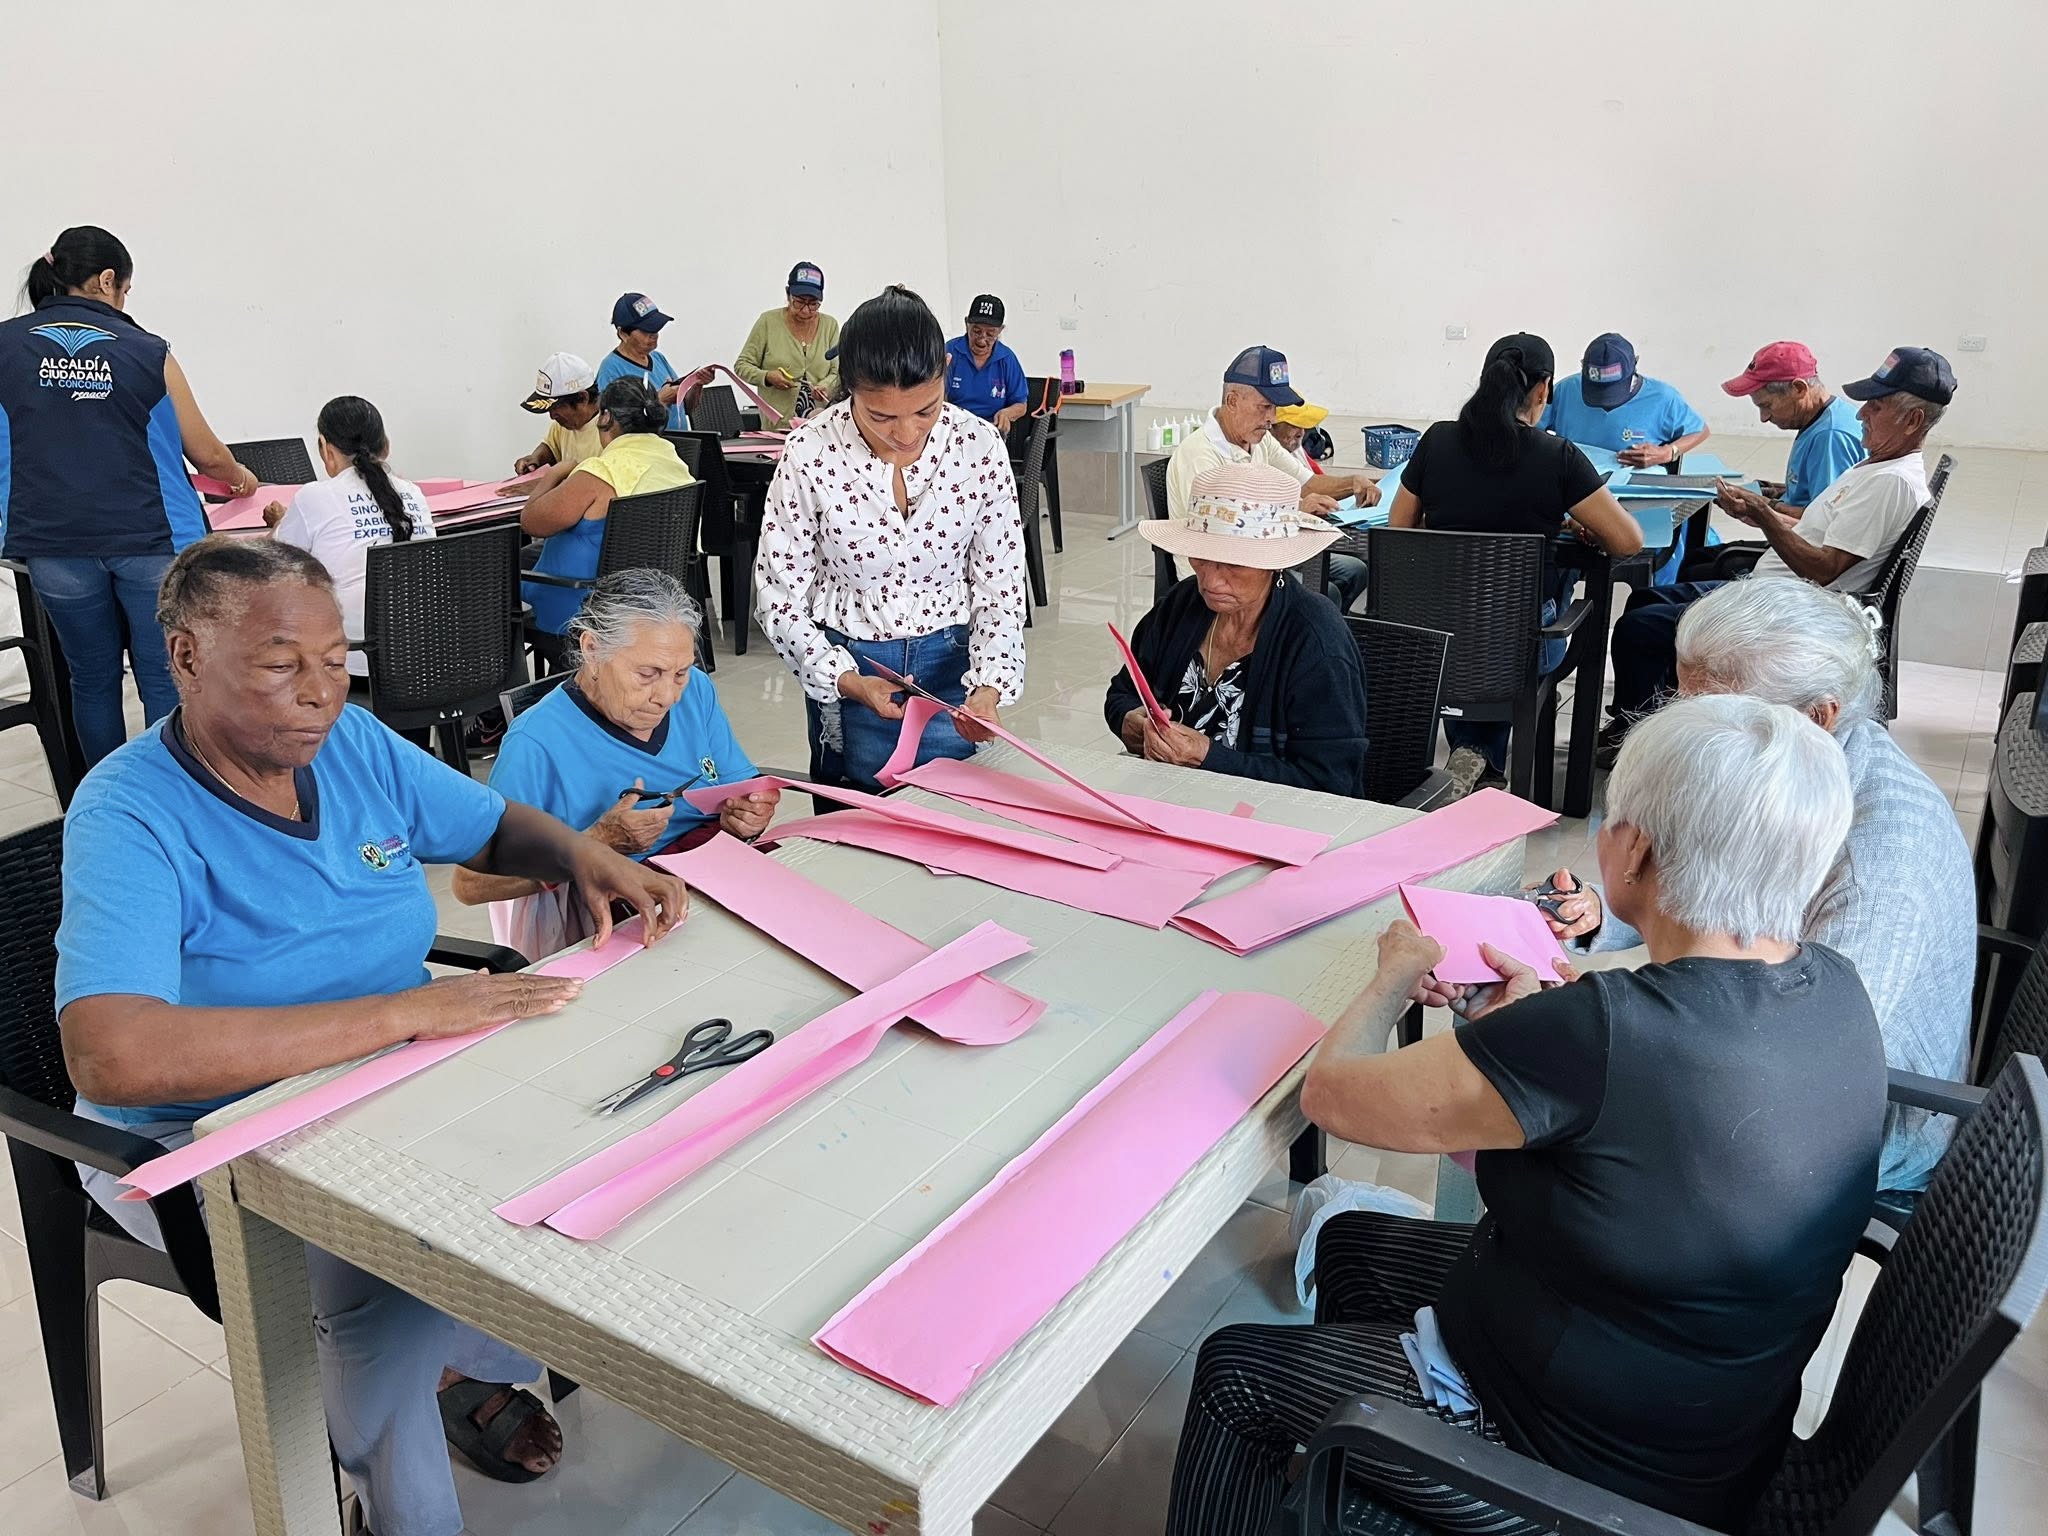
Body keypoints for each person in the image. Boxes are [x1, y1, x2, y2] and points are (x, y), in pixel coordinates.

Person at [55, 536, 686, 1536]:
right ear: (184, 657)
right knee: (392, 1280)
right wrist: (404, 1013)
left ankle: (458, 1363)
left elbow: (488, 827)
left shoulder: (347, 742)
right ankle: (400, 1502)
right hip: (204, 1138)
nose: (320, 693)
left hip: (385, 1084)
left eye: (334, 659)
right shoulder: (128, 811)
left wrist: (583, 856)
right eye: (280, 665)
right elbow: (112, 1053)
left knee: (597, 1150)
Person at [1168, 694, 1882, 1535]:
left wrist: (1394, 973)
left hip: (1583, 1479)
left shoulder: (1601, 1031)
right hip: (1700, 1418)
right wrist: (1521, 1042)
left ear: (1636, 851)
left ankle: (1365, 1467)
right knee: (1350, 1248)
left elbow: (1333, 1095)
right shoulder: (1834, 985)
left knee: (1233, 1372)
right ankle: (1344, 1497)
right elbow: (1633, 1133)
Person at [1537, 578, 1970, 1197]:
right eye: (1684, 701)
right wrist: (1601, 911)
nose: (1691, 730)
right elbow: (1715, 882)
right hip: (1773, 1038)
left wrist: (1625, 1024)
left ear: (1819, 715)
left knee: (1556, 1110)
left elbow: (1806, 1053)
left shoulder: (1879, 865)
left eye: (1716, 710)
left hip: (1861, 1115)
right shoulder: (1775, 765)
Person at [1600, 346, 1952, 760]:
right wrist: (1763, 510)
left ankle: (1642, 744)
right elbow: (1821, 526)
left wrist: (1765, 515)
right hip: (1776, 590)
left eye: (1875, 407)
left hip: (1793, 611)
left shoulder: (1890, 481)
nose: (1861, 415)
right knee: (1644, 599)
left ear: (1912, 420)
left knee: (1639, 628)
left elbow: (1824, 569)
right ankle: (1654, 722)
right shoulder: (1878, 466)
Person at [0, 225, 259, 766]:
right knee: (164, 676)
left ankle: (109, 799)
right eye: (125, 289)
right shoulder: (147, 350)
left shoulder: (4, 346)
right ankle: (167, 795)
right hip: (150, 538)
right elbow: (206, 454)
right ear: (107, 280)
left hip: (52, 543)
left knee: (91, 678)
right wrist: (240, 478)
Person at [754, 284, 1027, 791]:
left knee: (952, 815)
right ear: (849, 388)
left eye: (926, 410)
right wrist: (843, 679)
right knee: (853, 820)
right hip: (850, 666)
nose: (905, 434)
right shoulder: (811, 452)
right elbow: (778, 595)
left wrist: (989, 685)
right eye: (880, 417)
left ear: (945, 371)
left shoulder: (978, 446)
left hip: (951, 669)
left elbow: (1001, 586)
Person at [453, 571, 778, 948]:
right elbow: (470, 884)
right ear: (592, 650)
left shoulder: (697, 692)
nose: (668, 696)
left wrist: (750, 813)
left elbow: (741, 789)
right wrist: (596, 843)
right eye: (648, 674)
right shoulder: (536, 742)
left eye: (680, 673)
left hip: (712, 879)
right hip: (625, 910)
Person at [1388, 332, 1644, 788]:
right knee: (1535, 608)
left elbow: (1399, 529)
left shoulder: (1437, 441)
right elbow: (1627, 541)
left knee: (1475, 632)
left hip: (1437, 637)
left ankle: (1475, 755)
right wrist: (1572, 522)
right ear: (1543, 390)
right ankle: (1480, 757)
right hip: (1520, 645)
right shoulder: (1557, 456)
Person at [1108, 463, 1368, 793]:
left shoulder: (1316, 641)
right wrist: (1129, 720)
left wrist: (1208, 758)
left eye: (1233, 563)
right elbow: (1122, 692)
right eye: (1200, 557)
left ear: (1274, 562)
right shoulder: (1182, 604)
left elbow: (1331, 783)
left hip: (1269, 818)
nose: (1210, 581)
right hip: (1165, 799)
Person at [1165, 348, 1378, 611]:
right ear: (1232, 401)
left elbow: (1307, 483)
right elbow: (1223, 536)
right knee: (1324, 596)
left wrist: (1354, 482)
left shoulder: (1258, 439)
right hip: (1221, 574)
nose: (1272, 418)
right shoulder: (1200, 455)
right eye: (1264, 407)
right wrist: (1294, 513)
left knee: (1353, 571)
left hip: (1264, 555)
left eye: (1274, 408)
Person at [265, 396, 436, 678]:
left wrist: (281, 522)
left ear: (326, 449)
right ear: (386, 446)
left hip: (351, 662)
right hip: (424, 658)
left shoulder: (314, 497)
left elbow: (269, 563)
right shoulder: (414, 494)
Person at [518, 378, 696, 643]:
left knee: (495, 577)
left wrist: (555, 472)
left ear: (606, 417)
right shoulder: (674, 462)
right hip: (653, 604)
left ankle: (504, 667)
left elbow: (531, 521)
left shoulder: (601, 472)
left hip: (584, 609)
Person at [1692, 341, 1867, 575]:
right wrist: (1774, 491)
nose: (1764, 417)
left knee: (1694, 572)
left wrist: (1760, 507)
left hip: (1803, 561)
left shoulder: (1830, 437)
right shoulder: (1825, 418)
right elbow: (1820, 494)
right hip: (1796, 545)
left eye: (1767, 405)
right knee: (1697, 558)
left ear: (1799, 389)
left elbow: (1823, 523)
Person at [1541, 332, 1711, 469]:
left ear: (1635, 364)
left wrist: (1668, 452)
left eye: (1612, 390)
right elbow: (1531, 428)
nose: (1605, 401)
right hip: (1574, 485)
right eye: (1597, 389)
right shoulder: (1566, 390)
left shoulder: (1663, 398)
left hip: (1632, 487)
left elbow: (1699, 430)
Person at [736, 262, 840, 423]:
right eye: (799, 302)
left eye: (813, 304)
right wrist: (767, 377)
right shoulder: (768, 322)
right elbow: (742, 366)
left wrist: (825, 386)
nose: (806, 310)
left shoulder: (830, 326)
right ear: (787, 294)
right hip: (778, 426)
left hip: (819, 424)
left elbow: (837, 371)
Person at [595, 292, 705, 433]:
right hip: (646, 445)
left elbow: (687, 408)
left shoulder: (658, 358)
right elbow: (616, 425)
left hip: (680, 443)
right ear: (623, 334)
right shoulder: (611, 369)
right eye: (646, 330)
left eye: (656, 329)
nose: (655, 335)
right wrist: (659, 401)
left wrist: (697, 384)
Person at [944, 293, 1031, 433]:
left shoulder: (1006, 358)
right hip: (954, 428)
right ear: (966, 324)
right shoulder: (950, 352)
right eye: (976, 331)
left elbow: (1021, 405)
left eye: (990, 334)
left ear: (1000, 330)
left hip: (992, 429)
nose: (982, 340)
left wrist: (1006, 414)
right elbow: (937, 398)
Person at [512, 351, 604, 474]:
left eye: (557, 407)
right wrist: (535, 459)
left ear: (583, 398)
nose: (552, 416)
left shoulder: (611, 429)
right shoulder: (563, 424)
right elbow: (550, 447)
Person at [1270, 402, 1330, 473]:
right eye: (1294, 426)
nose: (1301, 433)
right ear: (1270, 426)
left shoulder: (1296, 449)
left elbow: (1316, 475)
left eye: (1303, 425)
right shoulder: (1265, 459)